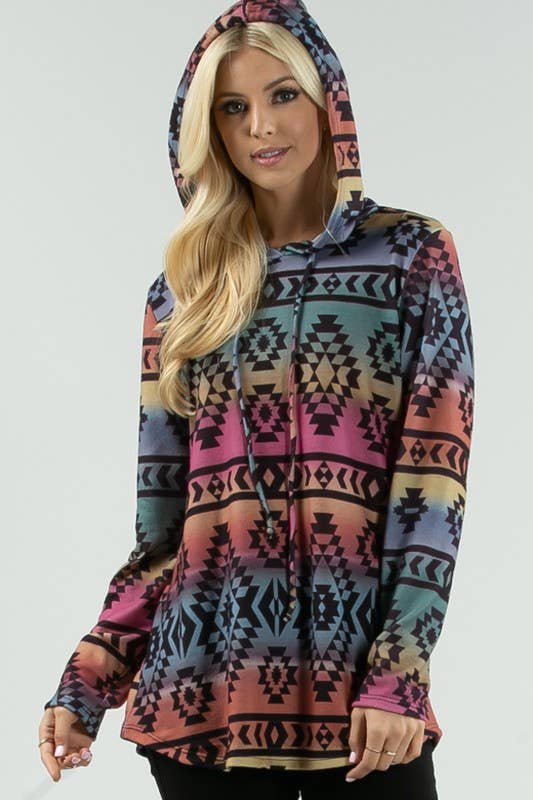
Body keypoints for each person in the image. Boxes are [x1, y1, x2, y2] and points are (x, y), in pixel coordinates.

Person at [38, 1, 475, 798]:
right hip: (199, 696)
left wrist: (398, 675)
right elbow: (162, 526)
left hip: (359, 696)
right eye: (232, 108)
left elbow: (431, 485)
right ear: (208, 128)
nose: (260, 127)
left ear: (327, 102)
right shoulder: (183, 290)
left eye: (282, 95)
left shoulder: (411, 256)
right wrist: (90, 675)